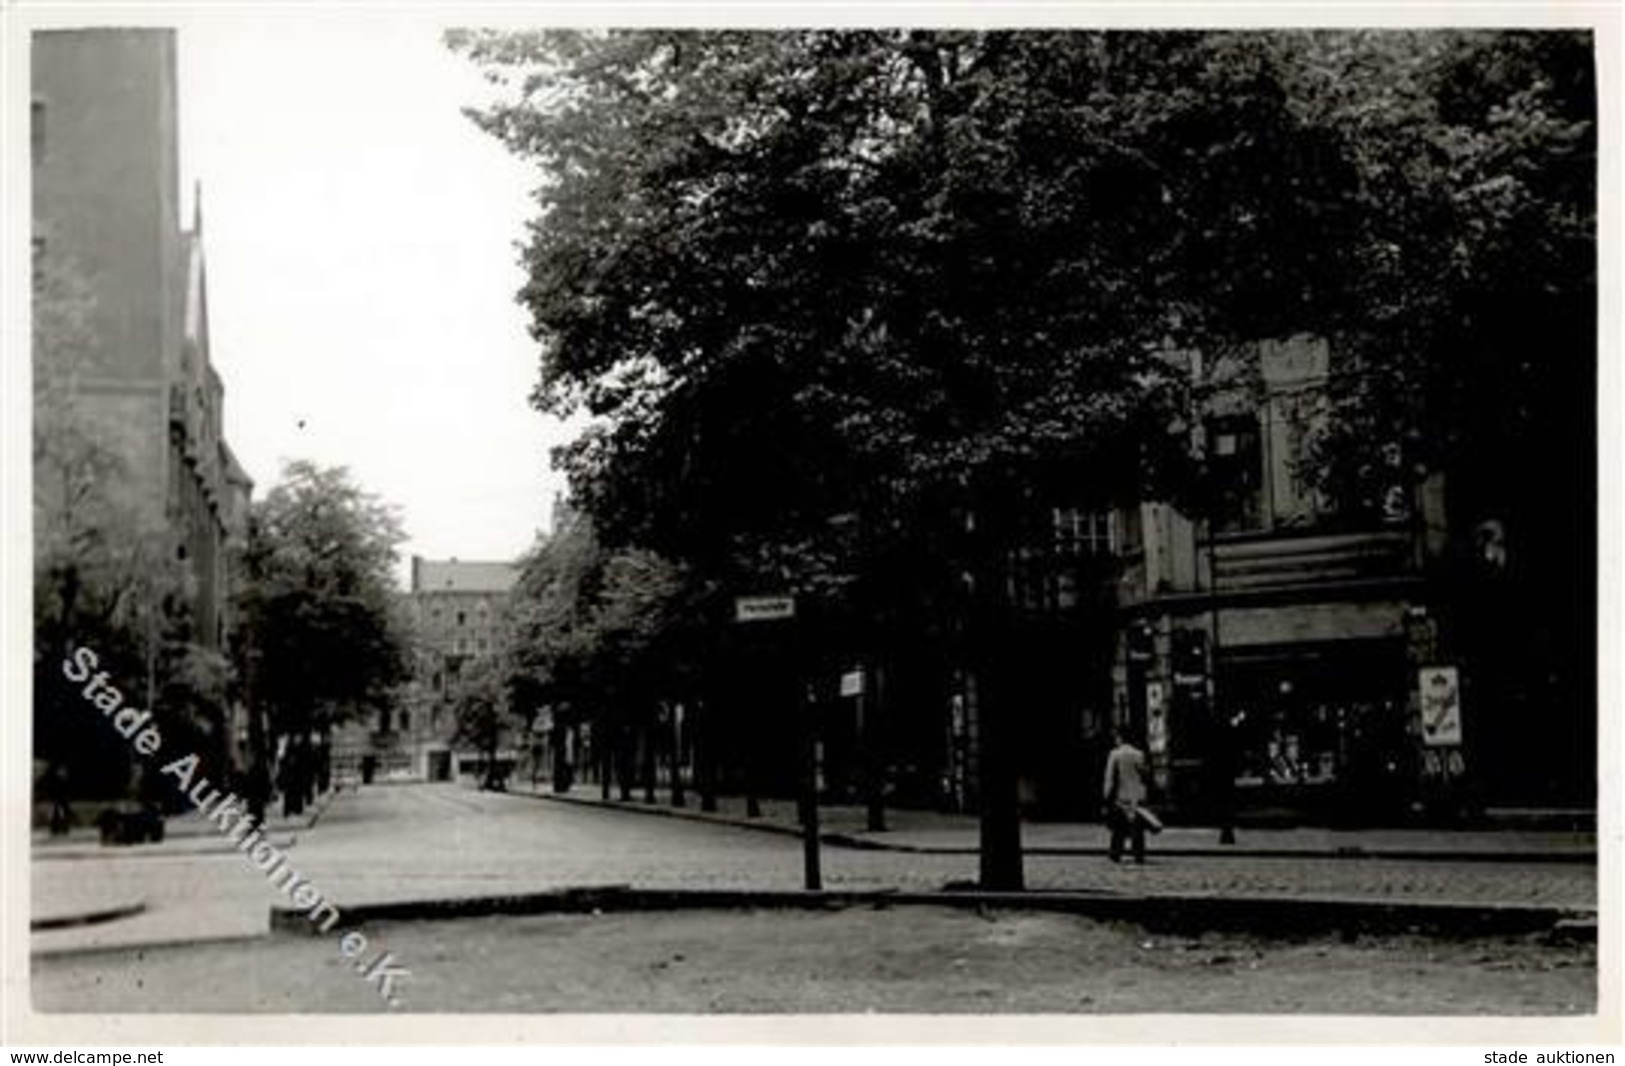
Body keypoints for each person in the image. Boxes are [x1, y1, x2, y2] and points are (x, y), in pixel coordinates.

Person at [1102, 728, 1150, 864]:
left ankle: (1115, 853)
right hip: (1136, 796)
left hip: (1121, 796)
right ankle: (1138, 854)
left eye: (1117, 737)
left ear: (1120, 738)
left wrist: (1106, 796)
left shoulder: (1115, 754)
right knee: (1137, 827)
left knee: (1119, 827)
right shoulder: (1139, 754)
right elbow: (1145, 775)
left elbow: (1110, 778)